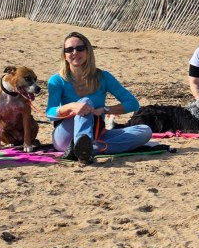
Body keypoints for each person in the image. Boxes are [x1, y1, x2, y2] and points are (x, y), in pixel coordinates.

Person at [46, 32, 152, 163]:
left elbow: (132, 103)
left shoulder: (103, 77)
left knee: (145, 131)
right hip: (64, 136)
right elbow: (50, 114)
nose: (74, 52)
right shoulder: (57, 80)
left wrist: (105, 110)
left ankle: (84, 150)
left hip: (97, 133)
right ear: (64, 55)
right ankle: (82, 146)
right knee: (85, 101)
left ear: (88, 51)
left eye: (80, 48)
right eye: (69, 49)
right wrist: (72, 107)